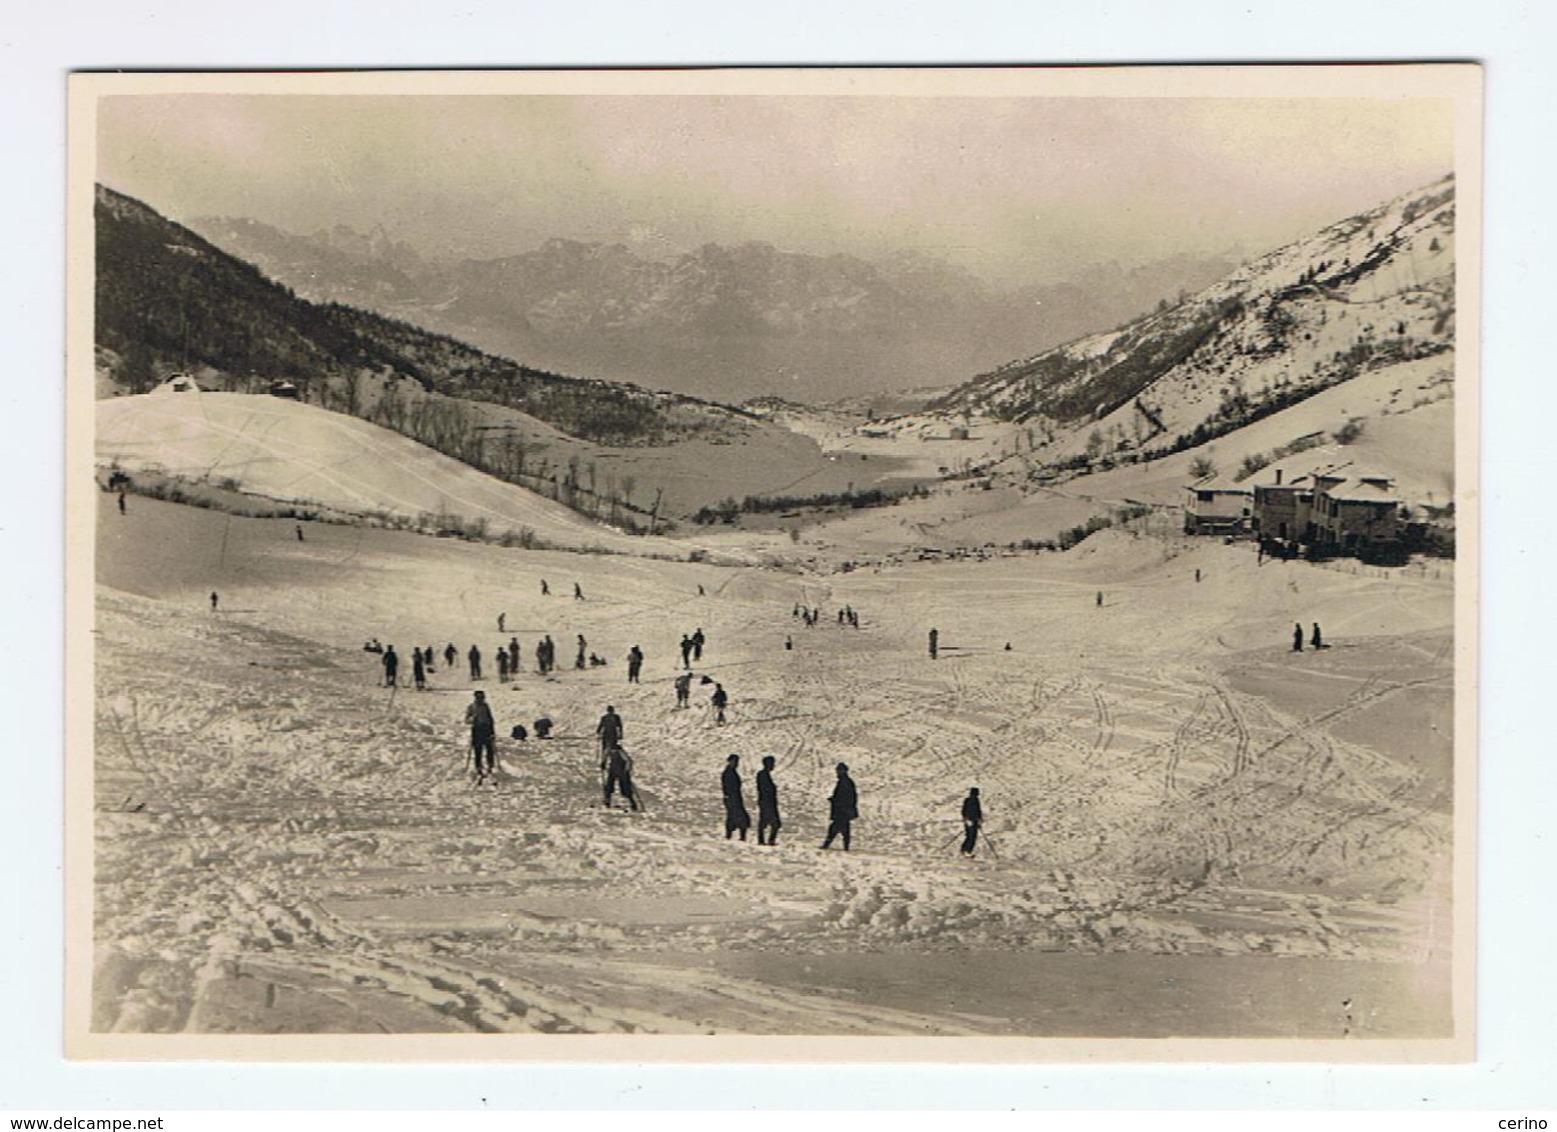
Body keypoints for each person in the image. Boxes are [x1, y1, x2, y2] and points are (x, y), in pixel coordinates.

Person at [821, 763, 858, 851]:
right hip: (844, 810)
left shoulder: (844, 782)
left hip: (842, 810)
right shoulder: (846, 781)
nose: (837, 772)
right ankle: (845, 847)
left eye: (839, 770)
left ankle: (827, 845)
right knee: (843, 829)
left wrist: (835, 801)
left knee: (835, 829)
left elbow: (846, 797)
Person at [465, 690, 497, 784]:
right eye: (478, 697)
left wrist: (492, 731)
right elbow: (466, 720)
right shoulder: (471, 707)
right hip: (477, 729)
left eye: (482, 697)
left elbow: (490, 718)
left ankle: (490, 766)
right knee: (477, 749)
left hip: (486, 729)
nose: (480, 699)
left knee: (489, 748)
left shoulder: (486, 706)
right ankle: (478, 767)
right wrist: (472, 719)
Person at [721, 754, 751, 841]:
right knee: (739, 817)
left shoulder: (731, 772)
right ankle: (738, 836)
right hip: (732, 798)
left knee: (733, 817)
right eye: (735, 761)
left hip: (734, 798)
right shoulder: (728, 773)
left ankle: (732, 835)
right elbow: (728, 787)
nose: (736, 763)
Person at [602, 744, 640, 811]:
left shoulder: (620, 751)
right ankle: (607, 801)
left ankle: (633, 804)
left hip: (621, 772)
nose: (613, 751)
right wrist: (603, 763)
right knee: (609, 786)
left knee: (625, 788)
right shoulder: (608, 750)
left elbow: (628, 761)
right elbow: (605, 757)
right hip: (613, 771)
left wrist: (626, 770)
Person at [756, 755, 781, 846]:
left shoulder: (764, 774)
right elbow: (765, 789)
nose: (773, 766)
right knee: (775, 823)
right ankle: (766, 840)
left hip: (767, 802)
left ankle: (763, 840)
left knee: (766, 822)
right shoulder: (762, 775)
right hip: (767, 802)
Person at [960, 787, 983, 857]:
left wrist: (965, 818)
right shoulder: (974, 800)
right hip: (972, 820)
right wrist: (979, 819)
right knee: (972, 836)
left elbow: (964, 811)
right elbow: (977, 811)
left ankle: (964, 849)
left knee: (969, 836)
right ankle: (967, 850)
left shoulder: (969, 800)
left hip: (969, 820)